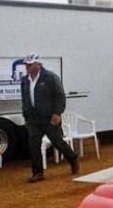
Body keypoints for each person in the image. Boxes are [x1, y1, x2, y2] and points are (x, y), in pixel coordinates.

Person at [20, 53, 79, 182]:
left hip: (49, 117)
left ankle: (72, 157)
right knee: (34, 145)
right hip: (33, 119)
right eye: (26, 65)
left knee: (57, 141)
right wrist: (26, 115)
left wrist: (57, 113)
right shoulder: (25, 80)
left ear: (38, 64)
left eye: (30, 64)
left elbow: (59, 95)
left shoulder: (50, 77)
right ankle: (38, 173)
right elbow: (25, 99)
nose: (27, 67)